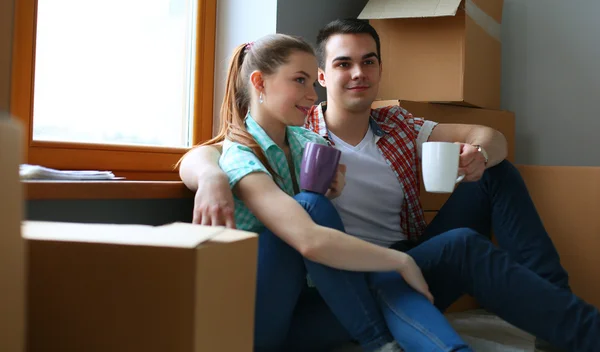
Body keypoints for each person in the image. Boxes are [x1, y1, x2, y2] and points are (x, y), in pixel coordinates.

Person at [179, 21, 600, 352]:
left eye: (369, 61)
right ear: (323, 76)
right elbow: (218, 150)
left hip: (408, 251)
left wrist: (480, 156)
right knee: (460, 244)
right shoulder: (301, 124)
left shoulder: (397, 124)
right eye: (343, 64)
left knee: (497, 171)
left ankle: (554, 308)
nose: (358, 73)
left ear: (380, 68)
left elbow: (492, 137)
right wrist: (211, 175)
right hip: (348, 270)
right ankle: (580, 329)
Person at [188, 33, 441, 352]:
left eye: (313, 84)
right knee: (303, 211)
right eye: (300, 81)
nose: (312, 96)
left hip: (299, 303)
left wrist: (333, 190)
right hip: (249, 316)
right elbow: (308, 237)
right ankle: (379, 342)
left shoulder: (306, 142)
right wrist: (400, 260)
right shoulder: (240, 155)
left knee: (388, 297)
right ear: (260, 82)